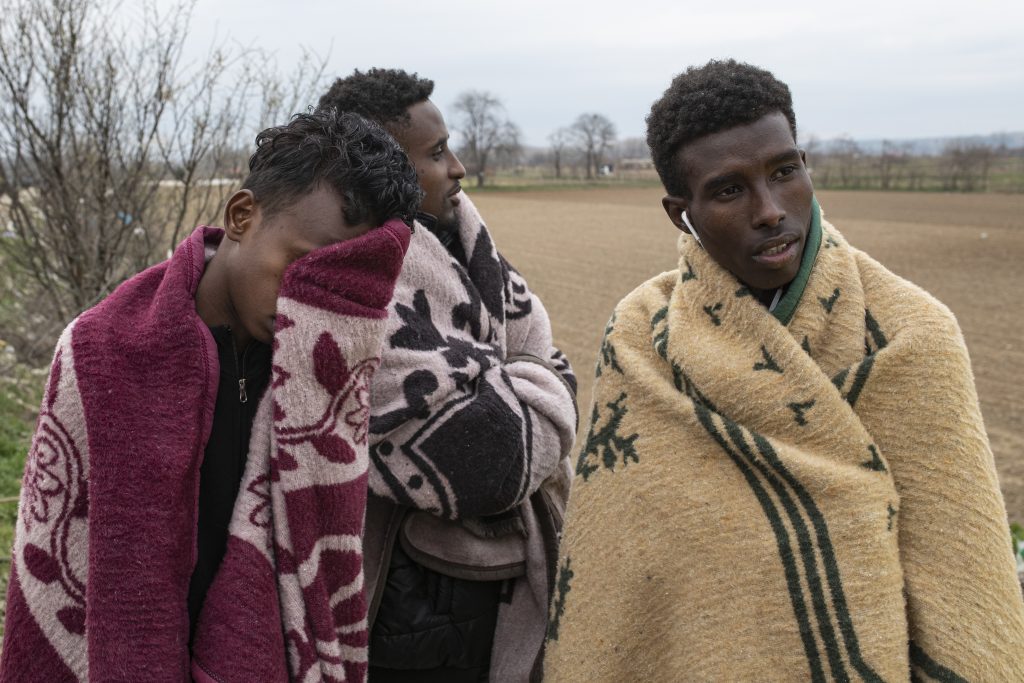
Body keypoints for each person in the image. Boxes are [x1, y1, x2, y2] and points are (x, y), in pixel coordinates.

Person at [543, 59, 1024, 681]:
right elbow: (620, 568)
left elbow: (963, 576)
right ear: (677, 210)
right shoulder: (643, 336)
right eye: (728, 189)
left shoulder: (913, 336)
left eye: (785, 172)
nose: (770, 209)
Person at [0, 109, 421, 682]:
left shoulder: (332, 372)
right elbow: (56, 549)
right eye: (299, 267)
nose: (309, 304)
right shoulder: (102, 350)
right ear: (243, 215)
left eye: (335, 286)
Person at [318, 69, 578, 682]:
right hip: (403, 605)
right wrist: (519, 381)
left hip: (490, 588)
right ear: (378, 169)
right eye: (436, 154)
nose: (458, 167)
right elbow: (492, 460)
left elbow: (555, 365)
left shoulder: (465, 246)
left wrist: (506, 384)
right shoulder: (353, 291)